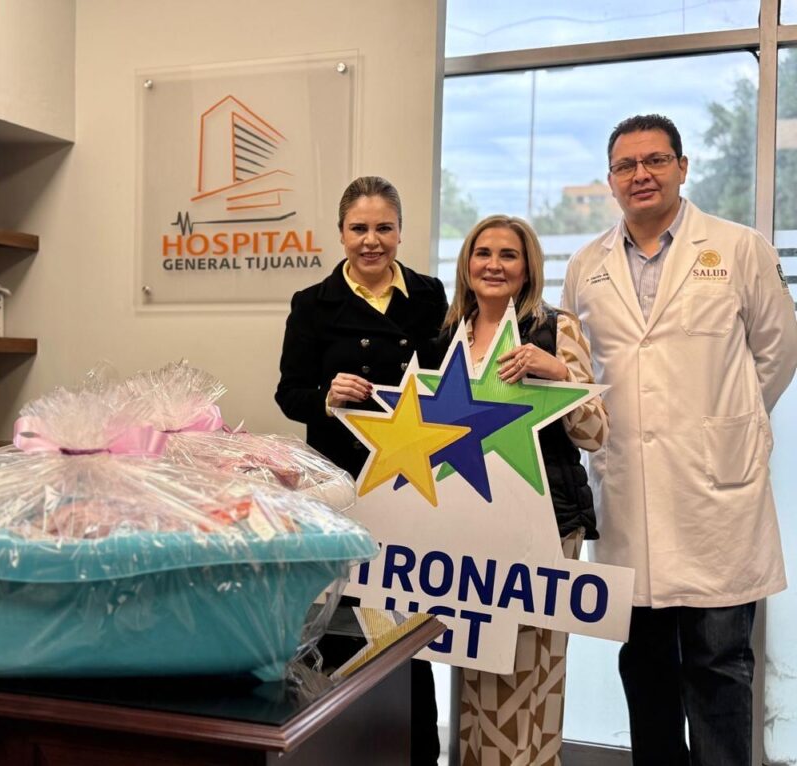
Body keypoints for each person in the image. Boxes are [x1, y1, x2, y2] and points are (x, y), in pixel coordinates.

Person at [562, 113, 797, 765]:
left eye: (655, 160)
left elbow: (778, 351)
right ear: (610, 180)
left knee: (719, 664)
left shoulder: (739, 248)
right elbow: (580, 368)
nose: (641, 174)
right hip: (629, 492)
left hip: (716, 493)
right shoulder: (586, 266)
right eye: (626, 165)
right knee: (645, 665)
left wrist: (726, 425)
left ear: (682, 167)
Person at [275, 175, 448, 765]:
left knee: (409, 620)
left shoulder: (429, 295)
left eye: (384, 228)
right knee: (342, 618)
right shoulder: (312, 303)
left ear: (400, 232)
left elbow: (449, 381)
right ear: (341, 233)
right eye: (359, 229)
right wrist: (327, 396)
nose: (371, 240)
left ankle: (417, 752)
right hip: (341, 487)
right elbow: (288, 394)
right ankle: (344, 750)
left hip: (413, 481)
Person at [427, 215, 608, 766]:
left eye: (508, 255)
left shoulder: (556, 328)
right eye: (483, 253)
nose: (494, 265)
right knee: (477, 666)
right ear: (467, 264)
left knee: (533, 669)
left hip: (546, 523)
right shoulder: (449, 336)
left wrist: (558, 373)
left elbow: (595, 434)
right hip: (470, 525)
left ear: (528, 268)